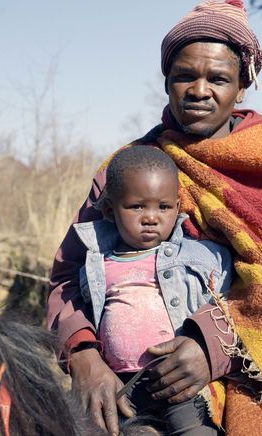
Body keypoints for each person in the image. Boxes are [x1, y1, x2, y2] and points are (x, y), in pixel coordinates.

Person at [49, 1, 262, 435]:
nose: (199, 90)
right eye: (185, 75)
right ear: (167, 81)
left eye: (218, 79)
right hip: (136, 384)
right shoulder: (128, 171)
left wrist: (213, 345)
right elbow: (69, 275)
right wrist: (85, 360)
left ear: (243, 87)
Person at [72, 145, 232, 435]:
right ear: (110, 210)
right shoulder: (97, 266)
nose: (151, 217)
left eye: (164, 207)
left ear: (177, 207)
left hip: (175, 377)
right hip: (121, 383)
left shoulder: (195, 255)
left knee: (195, 432)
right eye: (137, 206)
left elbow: (228, 302)